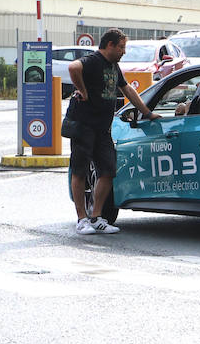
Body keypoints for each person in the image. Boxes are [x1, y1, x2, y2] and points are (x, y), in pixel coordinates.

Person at [66, 28, 159, 235]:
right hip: (84, 126)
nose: (123, 52)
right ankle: (82, 219)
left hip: (103, 129)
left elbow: (127, 89)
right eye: (121, 47)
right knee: (80, 171)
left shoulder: (113, 66)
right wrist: (82, 90)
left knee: (108, 171)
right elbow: (73, 67)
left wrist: (147, 112)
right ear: (110, 45)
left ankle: (97, 217)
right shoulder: (93, 61)